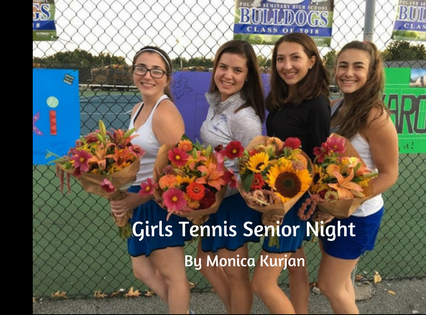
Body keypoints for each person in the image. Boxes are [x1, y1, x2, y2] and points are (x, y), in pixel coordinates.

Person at [109, 46, 193, 314]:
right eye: (141, 68)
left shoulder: (164, 113)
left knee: (174, 275)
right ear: (133, 71)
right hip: (138, 198)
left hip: (158, 201)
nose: (148, 75)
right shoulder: (137, 108)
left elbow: (176, 173)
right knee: (141, 268)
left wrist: (137, 198)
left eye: (157, 70)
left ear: (167, 79)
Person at [251, 32, 331, 314]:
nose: (287, 65)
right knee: (297, 263)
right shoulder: (281, 97)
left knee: (262, 283)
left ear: (311, 61)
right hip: (280, 196)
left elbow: (321, 158)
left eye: (295, 58)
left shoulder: (317, 104)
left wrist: (307, 201)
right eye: (280, 59)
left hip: (293, 204)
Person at [317, 40, 399, 314]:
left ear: (372, 73)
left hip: (357, 214)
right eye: (343, 65)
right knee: (341, 285)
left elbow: (389, 174)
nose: (348, 72)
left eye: (357, 67)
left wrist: (345, 203)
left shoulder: (375, 116)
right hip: (333, 210)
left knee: (329, 286)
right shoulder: (335, 105)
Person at [196, 40, 266, 314]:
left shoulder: (243, 117)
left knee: (236, 275)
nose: (228, 74)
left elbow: (255, 169)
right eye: (223, 67)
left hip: (234, 204)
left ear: (247, 76)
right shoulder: (217, 103)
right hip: (217, 198)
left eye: (237, 70)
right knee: (205, 261)